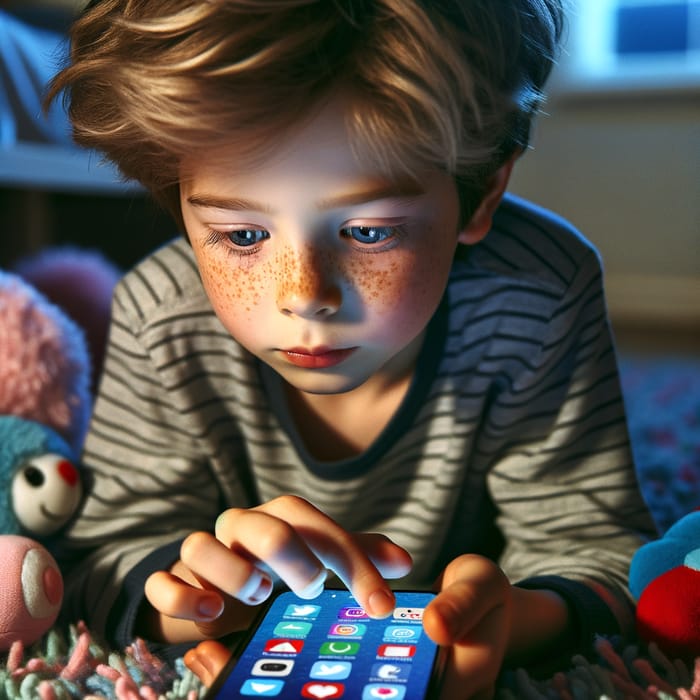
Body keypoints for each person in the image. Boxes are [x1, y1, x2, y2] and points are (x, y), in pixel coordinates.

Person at [48, 1, 657, 697]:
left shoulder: (539, 292)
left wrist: (514, 619)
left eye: (370, 232)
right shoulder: (160, 314)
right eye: (242, 237)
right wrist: (203, 603)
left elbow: (604, 554)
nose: (304, 294)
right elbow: (98, 559)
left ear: (482, 194)